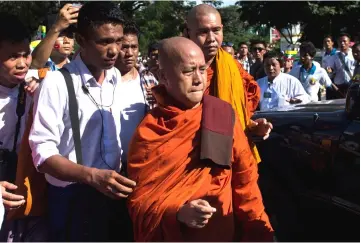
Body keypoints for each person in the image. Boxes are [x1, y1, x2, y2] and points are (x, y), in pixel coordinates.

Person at [127, 36, 274, 242]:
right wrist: (177, 212)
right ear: (163, 76)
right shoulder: (150, 132)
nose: (198, 79)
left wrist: (261, 231)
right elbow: (140, 203)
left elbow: (246, 182)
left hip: (223, 233)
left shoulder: (220, 114)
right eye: (188, 71)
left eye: (202, 69)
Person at [29, 2, 135, 241]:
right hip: (72, 199)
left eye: (118, 41)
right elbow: (42, 155)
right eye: (104, 42)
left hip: (111, 195)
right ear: (81, 40)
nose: (114, 50)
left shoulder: (115, 77)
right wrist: (91, 176)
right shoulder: (57, 83)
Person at [185, 4, 272, 163]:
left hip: (234, 154)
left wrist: (252, 126)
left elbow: (239, 112)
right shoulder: (178, 70)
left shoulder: (232, 67)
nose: (211, 39)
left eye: (216, 30)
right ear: (187, 32)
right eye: (203, 32)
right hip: (191, 156)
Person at [0, 13, 40, 240]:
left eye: (26, 55)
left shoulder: (35, 89)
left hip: (24, 185)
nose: (23, 63)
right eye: (13, 56)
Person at [114, 22, 158, 164]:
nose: (130, 53)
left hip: (141, 161)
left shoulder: (149, 79)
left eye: (134, 47)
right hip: (108, 165)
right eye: (124, 47)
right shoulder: (101, 81)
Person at [31, 4, 78, 70]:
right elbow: (35, 65)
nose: (67, 41)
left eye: (70, 35)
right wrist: (56, 28)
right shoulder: (42, 65)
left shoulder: (76, 67)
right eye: (60, 35)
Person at [326, 33, 355, 99]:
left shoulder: (354, 55)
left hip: (352, 86)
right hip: (339, 87)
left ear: (349, 42)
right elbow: (330, 70)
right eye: (340, 41)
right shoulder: (334, 56)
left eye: (344, 41)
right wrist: (329, 70)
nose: (342, 43)